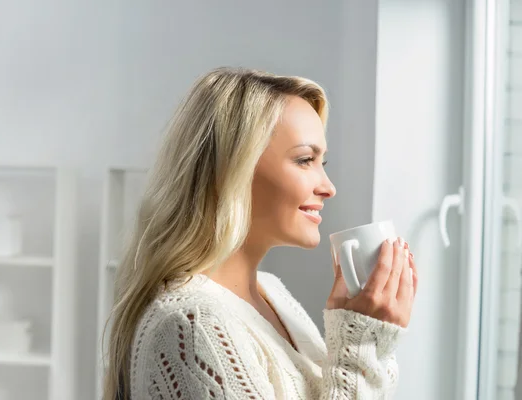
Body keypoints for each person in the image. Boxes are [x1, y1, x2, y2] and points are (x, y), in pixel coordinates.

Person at [103, 67, 418, 399]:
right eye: (304, 160)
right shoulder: (192, 323)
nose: (328, 188)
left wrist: (366, 335)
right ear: (230, 170)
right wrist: (361, 343)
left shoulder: (272, 293)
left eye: (321, 163)